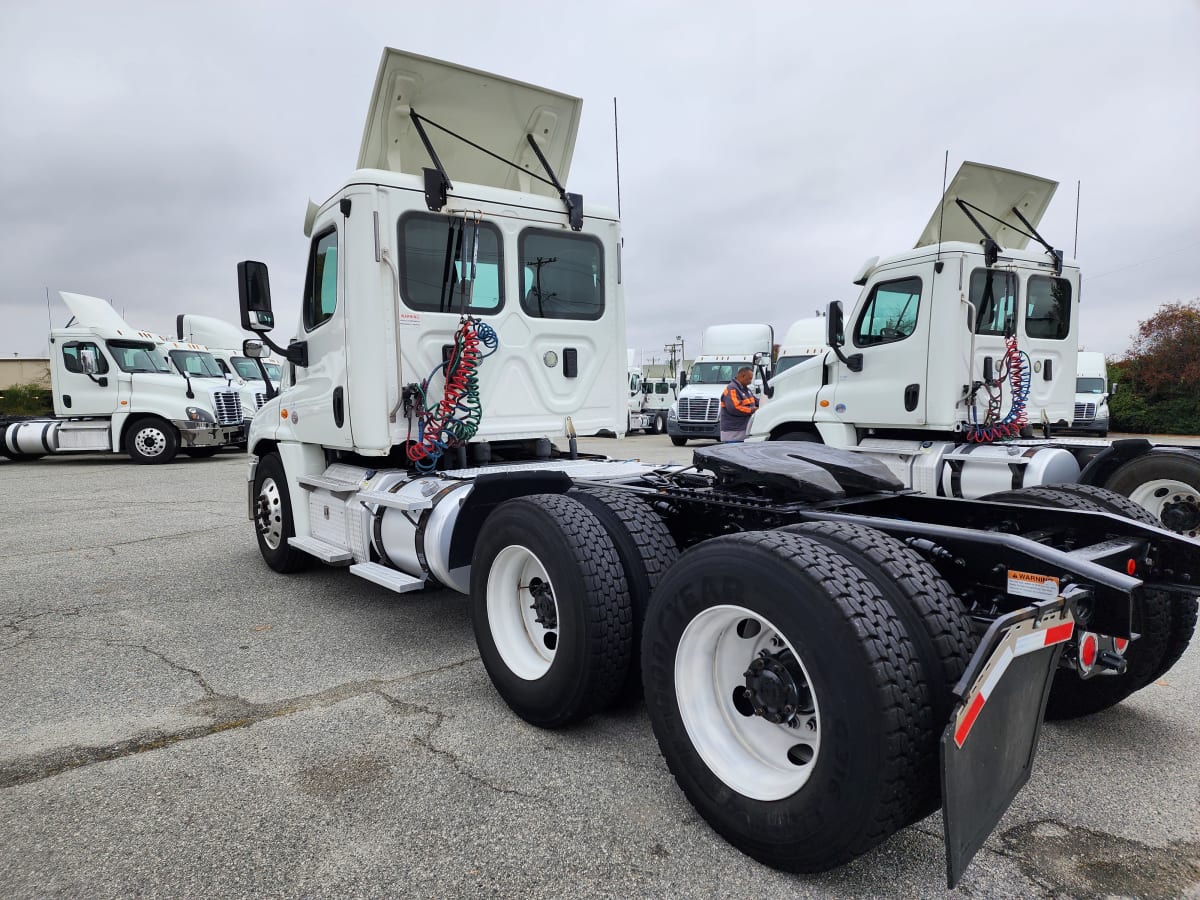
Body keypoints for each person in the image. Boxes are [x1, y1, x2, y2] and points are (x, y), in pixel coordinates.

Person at [719, 366, 759, 442]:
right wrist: (753, 410)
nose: (751, 381)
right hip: (733, 434)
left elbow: (755, 401)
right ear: (743, 376)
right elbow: (735, 408)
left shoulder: (746, 389)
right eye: (750, 378)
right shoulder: (732, 389)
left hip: (742, 432)